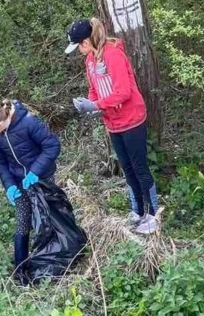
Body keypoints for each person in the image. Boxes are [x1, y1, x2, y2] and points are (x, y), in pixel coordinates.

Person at [65, 17, 159, 235]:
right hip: (113, 122)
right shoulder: (90, 60)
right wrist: (90, 106)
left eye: (78, 45)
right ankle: (137, 211)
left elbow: (123, 92)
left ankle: (154, 214)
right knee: (126, 168)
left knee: (139, 167)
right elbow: (95, 89)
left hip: (132, 119)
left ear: (86, 41)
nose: (79, 50)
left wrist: (96, 105)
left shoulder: (113, 54)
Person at [0, 99, 61, 285]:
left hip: (42, 178)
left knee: (48, 216)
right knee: (23, 220)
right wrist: (9, 185)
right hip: (18, 181)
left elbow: (52, 145)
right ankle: (21, 269)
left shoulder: (28, 122)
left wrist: (35, 172)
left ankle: (55, 259)